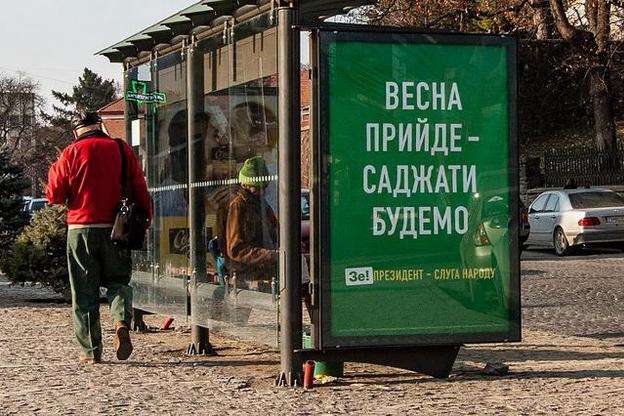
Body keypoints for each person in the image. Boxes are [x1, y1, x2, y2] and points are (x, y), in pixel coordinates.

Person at [46, 112, 152, 364]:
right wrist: (146, 219)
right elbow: (139, 187)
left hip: (80, 229)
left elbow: (54, 195)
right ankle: (121, 322)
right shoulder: (120, 149)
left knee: (84, 291)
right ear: (100, 126)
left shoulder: (70, 153)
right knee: (119, 281)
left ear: (76, 132)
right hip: (116, 227)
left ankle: (91, 351)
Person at [225, 156, 278, 291]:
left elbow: (275, 229)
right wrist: (268, 255)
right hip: (248, 276)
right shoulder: (238, 205)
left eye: (264, 187)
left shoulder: (262, 204)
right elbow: (235, 249)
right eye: (257, 188)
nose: (261, 191)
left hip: (265, 271)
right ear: (244, 184)